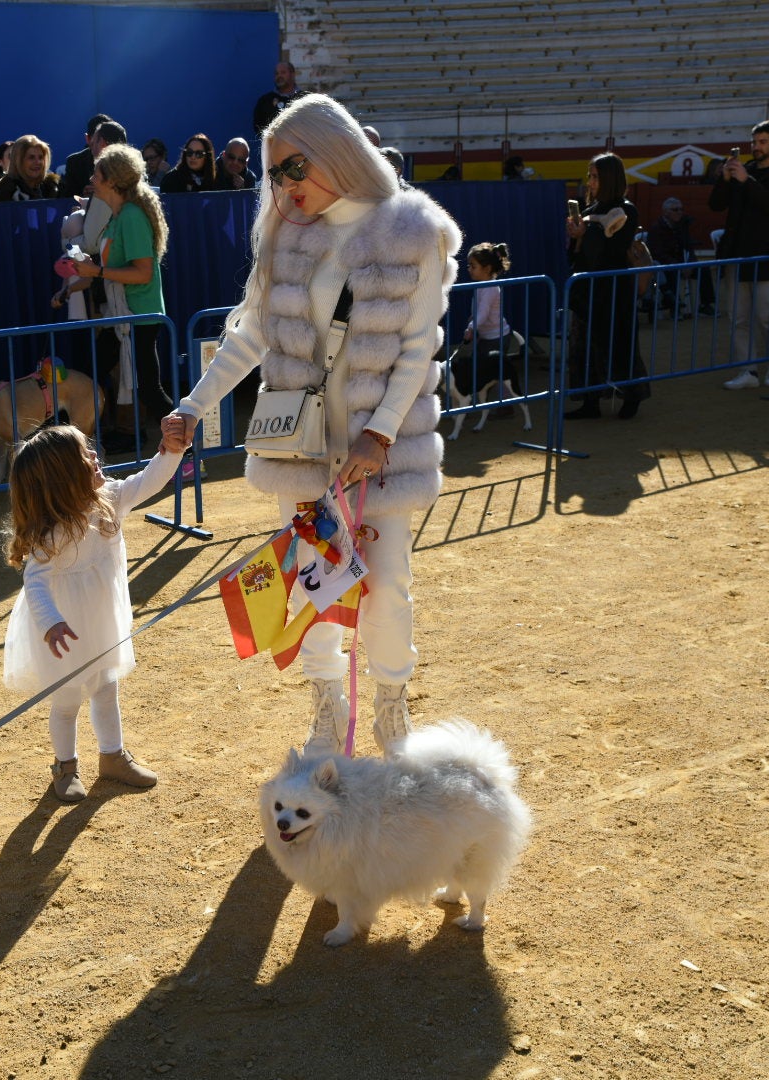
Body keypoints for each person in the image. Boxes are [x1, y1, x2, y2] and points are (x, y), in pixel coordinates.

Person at [166, 93, 460, 756]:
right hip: (301, 449)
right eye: (273, 174)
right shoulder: (283, 236)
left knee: (387, 587)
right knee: (312, 585)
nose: (284, 186)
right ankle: (328, 709)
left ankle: (390, 710)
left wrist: (380, 431)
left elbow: (418, 347)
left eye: (294, 167)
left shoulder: (413, 229)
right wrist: (192, 406)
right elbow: (247, 337)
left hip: (376, 457)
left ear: (335, 152)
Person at [1, 424, 183, 802]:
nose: (96, 456)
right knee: (66, 700)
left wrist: (171, 450)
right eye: (85, 455)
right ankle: (65, 767)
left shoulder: (110, 499)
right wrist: (50, 622)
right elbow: (34, 582)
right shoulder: (49, 532)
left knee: (105, 688)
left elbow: (148, 481)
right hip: (63, 633)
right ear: (63, 477)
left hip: (102, 620)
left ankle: (113, 756)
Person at [69, 144, 172, 453]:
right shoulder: (118, 216)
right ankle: (84, 444)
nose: (91, 177)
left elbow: (143, 273)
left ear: (112, 180)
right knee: (89, 372)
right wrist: (68, 289)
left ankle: (191, 452)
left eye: (97, 173)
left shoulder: (130, 217)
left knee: (150, 390)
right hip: (124, 317)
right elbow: (107, 270)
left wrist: (96, 272)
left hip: (139, 317)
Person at [709, 120, 769, 390]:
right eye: (754, 142)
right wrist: (725, 179)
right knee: (738, 318)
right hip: (738, 254)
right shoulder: (742, 171)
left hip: (767, 257)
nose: (756, 147)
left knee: (767, 317)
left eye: (763, 142)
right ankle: (747, 370)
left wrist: (747, 182)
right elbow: (716, 204)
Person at [565, 152, 651, 419]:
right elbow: (576, 255)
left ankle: (632, 398)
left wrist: (586, 233)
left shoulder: (626, 210)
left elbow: (614, 250)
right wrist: (576, 238)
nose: (590, 182)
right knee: (584, 347)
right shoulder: (590, 210)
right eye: (589, 176)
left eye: (595, 177)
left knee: (619, 344)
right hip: (586, 290)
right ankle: (590, 402)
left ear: (610, 178)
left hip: (614, 291)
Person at [449, 241, 523, 399]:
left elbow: (482, 313)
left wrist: (471, 327)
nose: (469, 269)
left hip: (497, 338)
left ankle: (504, 405)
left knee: (495, 371)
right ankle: (477, 400)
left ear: (487, 268)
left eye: (473, 266)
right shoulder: (482, 285)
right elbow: (479, 311)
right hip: (487, 336)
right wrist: (473, 323)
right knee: (481, 367)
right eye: (469, 265)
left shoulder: (490, 288)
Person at [644, 197, 717, 316]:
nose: (679, 212)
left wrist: (691, 264)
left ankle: (705, 304)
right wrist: (678, 265)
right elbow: (658, 253)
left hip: (682, 263)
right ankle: (674, 306)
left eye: (681, 209)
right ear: (666, 212)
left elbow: (689, 247)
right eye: (675, 210)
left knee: (703, 269)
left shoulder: (682, 227)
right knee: (671, 272)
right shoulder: (656, 228)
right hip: (665, 264)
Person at [0, 134, 59, 202]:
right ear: (18, 161)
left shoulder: (52, 185)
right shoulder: (5, 188)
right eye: (31, 157)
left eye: (41, 157)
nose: (37, 162)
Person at [60, 113, 111, 200]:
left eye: (106, 141)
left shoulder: (121, 163)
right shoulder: (74, 163)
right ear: (88, 139)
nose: (103, 145)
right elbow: (66, 200)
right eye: (97, 140)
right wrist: (83, 197)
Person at [253, 60, 305, 135]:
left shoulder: (304, 99)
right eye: (276, 73)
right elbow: (258, 128)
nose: (279, 76)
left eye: (283, 72)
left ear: (292, 74)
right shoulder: (265, 101)